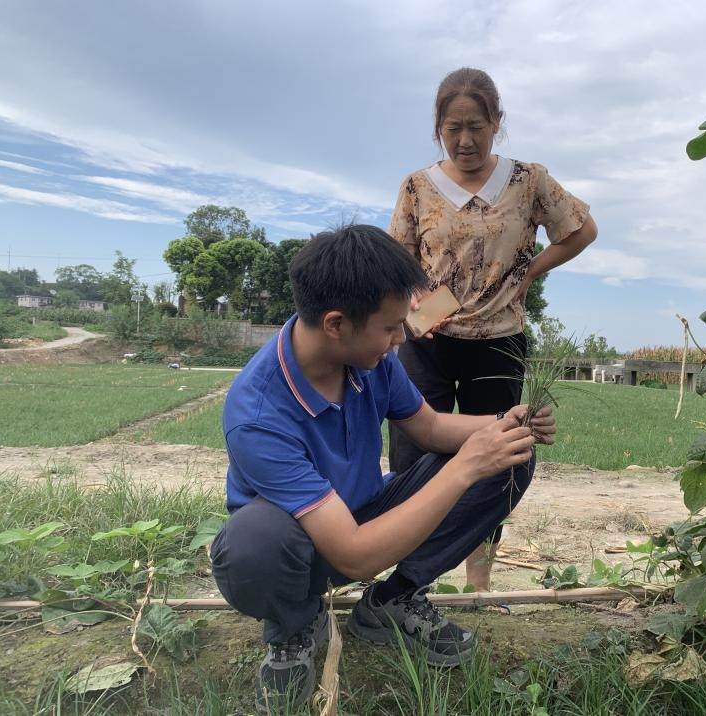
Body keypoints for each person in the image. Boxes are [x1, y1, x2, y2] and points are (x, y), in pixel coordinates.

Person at [209, 224, 557, 711]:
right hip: (299, 546)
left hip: (366, 511)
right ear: (336, 324)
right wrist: (464, 469)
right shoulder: (258, 415)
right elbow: (351, 556)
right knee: (253, 544)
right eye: (390, 327)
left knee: (508, 457)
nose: (401, 338)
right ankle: (293, 626)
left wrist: (503, 424)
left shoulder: (371, 359)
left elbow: (432, 429)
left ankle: (394, 600)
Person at [388, 67, 597, 592]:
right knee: (415, 455)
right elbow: (400, 260)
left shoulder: (528, 181)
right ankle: (413, 579)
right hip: (427, 338)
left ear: (496, 122)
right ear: (439, 128)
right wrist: (414, 296)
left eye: (477, 126)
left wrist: (530, 270)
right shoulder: (417, 187)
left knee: (497, 452)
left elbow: (580, 230)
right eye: (453, 127)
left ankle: (480, 583)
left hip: (500, 339)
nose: (465, 140)